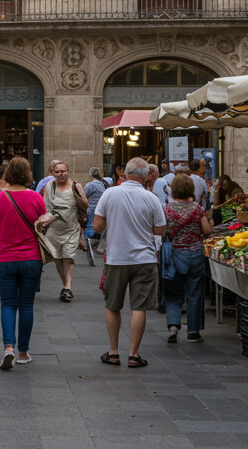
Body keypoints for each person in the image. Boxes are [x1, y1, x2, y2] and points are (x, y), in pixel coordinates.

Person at [92, 157, 166, 369]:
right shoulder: (150, 198)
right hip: (144, 258)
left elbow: (97, 226)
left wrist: (114, 221)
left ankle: (113, 351)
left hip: (117, 257)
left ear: (124, 173)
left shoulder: (110, 193)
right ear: (145, 177)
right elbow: (160, 229)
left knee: (113, 304)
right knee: (139, 307)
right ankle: (134, 354)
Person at [0, 157, 45, 369]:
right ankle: (23, 351)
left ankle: (8, 347)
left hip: (5, 258)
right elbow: (42, 227)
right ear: (28, 174)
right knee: (27, 305)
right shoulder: (36, 198)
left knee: (8, 304)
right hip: (31, 258)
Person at [163, 174, 212, 344]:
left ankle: (174, 326)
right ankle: (193, 331)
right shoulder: (197, 209)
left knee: (173, 292)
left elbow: (162, 231)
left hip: (175, 255)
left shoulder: (167, 210)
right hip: (195, 254)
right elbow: (206, 230)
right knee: (195, 293)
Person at [42, 160, 87, 302]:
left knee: (68, 257)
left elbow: (85, 206)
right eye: (58, 172)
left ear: (68, 172)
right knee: (57, 258)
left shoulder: (75, 185)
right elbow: (46, 206)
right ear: (53, 173)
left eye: (63, 171)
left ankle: (68, 287)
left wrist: (78, 194)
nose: (61, 174)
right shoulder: (50, 186)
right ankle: (65, 285)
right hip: (54, 230)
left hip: (71, 229)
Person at [83, 166, 108, 257]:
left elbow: (84, 196)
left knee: (89, 226)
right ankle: (96, 243)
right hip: (101, 209)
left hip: (91, 208)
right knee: (97, 226)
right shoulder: (103, 183)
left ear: (91, 175)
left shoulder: (90, 185)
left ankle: (90, 245)